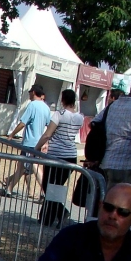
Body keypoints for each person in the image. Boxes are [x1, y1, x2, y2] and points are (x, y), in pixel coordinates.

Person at [34, 88, 84, 227]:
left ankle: (60, 213)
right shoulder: (80, 117)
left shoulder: (59, 114)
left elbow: (47, 134)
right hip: (71, 155)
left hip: (56, 154)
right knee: (56, 187)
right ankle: (47, 218)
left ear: (63, 100)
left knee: (48, 186)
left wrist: (36, 148)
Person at [0, 84, 50, 197]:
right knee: (21, 167)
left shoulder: (32, 105)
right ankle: (9, 189)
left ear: (33, 92)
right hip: (39, 141)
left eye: (30, 92)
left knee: (33, 167)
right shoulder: (46, 107)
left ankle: (46, 191)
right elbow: (48, 125)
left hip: (29, 142)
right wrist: (46, 142)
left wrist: (11, 134)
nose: (29, 94)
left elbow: (22, 123)